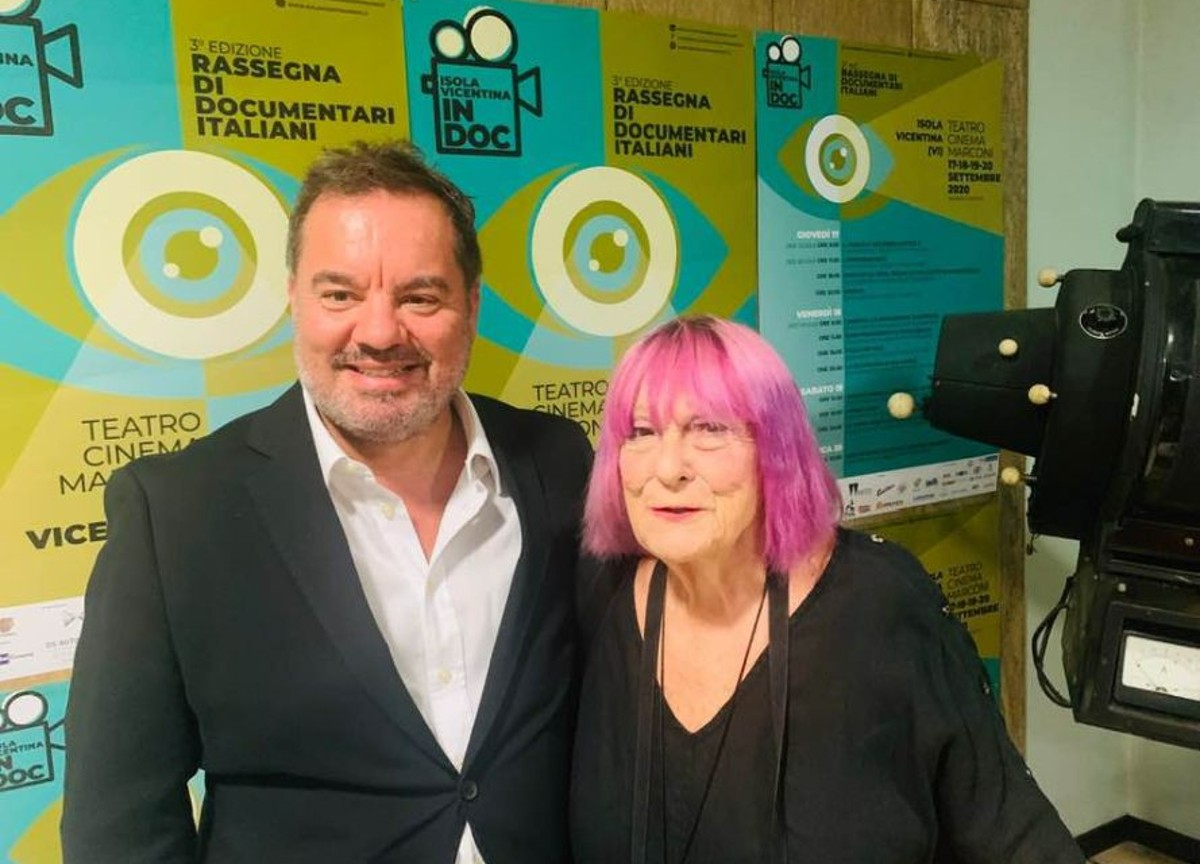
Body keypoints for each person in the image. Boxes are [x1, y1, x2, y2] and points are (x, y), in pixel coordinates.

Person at [62, 140, 593, 864]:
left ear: (471, 305)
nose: (378, 333)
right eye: (340, 294)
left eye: (420, 296)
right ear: (295, 299)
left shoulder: (557, 461)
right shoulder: (176, 512)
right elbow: (117, 821)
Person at [570, 315, 1084, 863]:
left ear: (775, 450)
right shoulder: (603, 596)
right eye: (641, 432)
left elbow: (1012, 833)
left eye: (710, 429)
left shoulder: (879, 601)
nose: (668, 467)